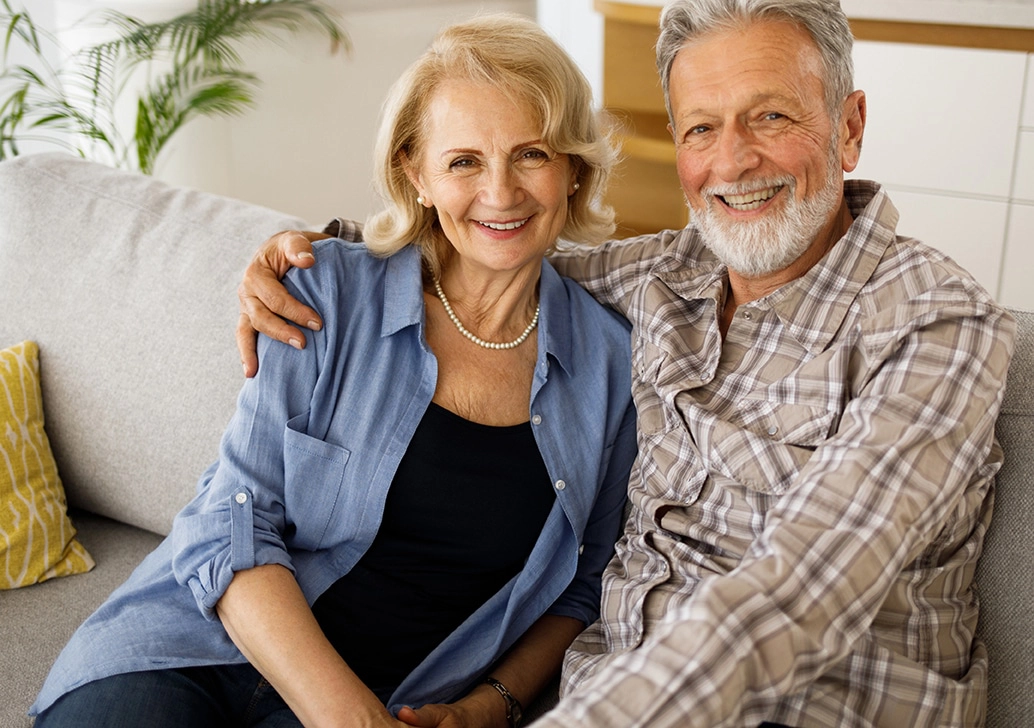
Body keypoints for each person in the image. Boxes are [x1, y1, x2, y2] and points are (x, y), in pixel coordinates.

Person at [236, 1, 1018, 726]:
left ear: (848, 127)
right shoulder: (666, 277)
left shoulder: (936, 324)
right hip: (597, 692)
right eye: (701, 129)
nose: (734, 161)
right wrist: (307, 258)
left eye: (771, 116)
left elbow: (794, 598)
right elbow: (494, 246)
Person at [31, 13, 638, 728]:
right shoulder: (322, 292)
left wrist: (489, 706)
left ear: (573, 169)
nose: (500, 192)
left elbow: (582, 585)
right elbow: (232, 521)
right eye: (464, 161)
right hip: (190, 648)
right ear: (416, 173)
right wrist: (350, 719)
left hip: (399, 695)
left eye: (531, 153)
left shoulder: (614, 366)